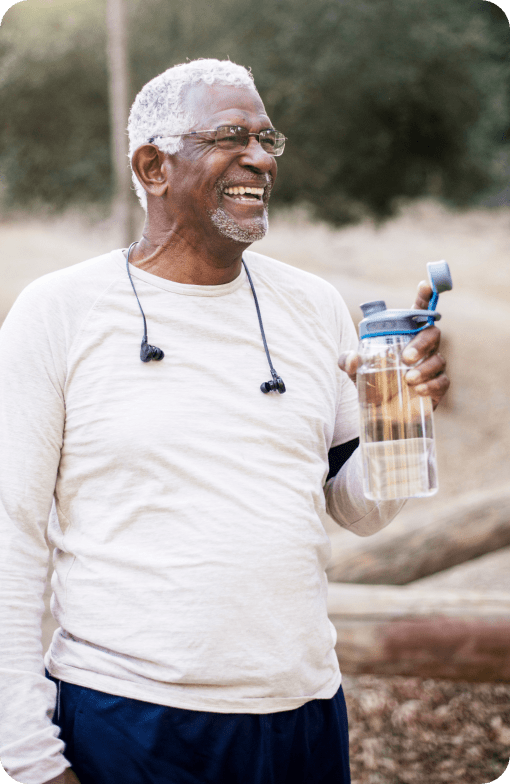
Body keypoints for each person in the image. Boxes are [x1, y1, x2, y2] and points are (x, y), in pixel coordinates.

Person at [0, 59, 448, 784]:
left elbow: (358, 509)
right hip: (130, 720)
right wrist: (29, 754)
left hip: (303, 713)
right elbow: (9, 537)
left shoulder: (314, 306)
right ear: (152, 166)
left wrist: (404, 411)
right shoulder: (59, 312)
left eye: (269, 137)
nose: (262, 158)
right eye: (233, 136)